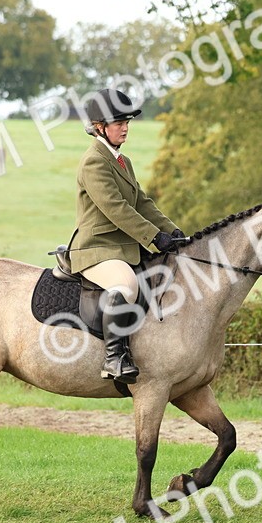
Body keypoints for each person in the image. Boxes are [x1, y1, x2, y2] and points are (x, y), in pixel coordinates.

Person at [68, 88, 185, 384]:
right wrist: (153, 237)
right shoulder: (94, 161)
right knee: (126, 283)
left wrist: (172, 230)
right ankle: (114, 358)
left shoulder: (122, 161)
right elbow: (115, 209)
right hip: (97, 249)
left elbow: (142, 203)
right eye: (118, 123)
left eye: (127, 122)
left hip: (122, 247)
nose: (125, 127)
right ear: (99, 127)